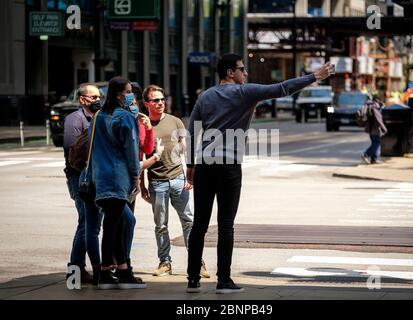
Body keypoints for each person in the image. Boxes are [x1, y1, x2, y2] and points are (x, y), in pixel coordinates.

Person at [186, 53, 333, 293]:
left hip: (204, 164)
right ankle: (223, 281)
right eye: (242, 69)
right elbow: (283, 88)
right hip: (229, 166)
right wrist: (314, 77)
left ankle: (193, 279)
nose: (246, 73)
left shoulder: (205, 96)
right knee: (225, 224)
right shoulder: (245, 92)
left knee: (200, 223)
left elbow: (193, 130)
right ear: (230, 73)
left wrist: (191, 165)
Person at [140, 84, 209, 278]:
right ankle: (165, 262)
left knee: (188, 221)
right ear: (147, 103)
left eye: (162, 99)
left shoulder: (175, 121)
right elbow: (140, 155)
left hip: (179, 179)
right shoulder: (144, 125)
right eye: (155, 100)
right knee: (161, 225)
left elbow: (185, 148)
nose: (160, 103)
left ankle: (197, 262)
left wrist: (190, 173)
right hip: (157, 182)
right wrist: (142, 185)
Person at [90, 76, 146, 289]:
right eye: (128, 91)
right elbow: (131, 150)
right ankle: (111, 272)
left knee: (114, 223)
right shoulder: (123, 117)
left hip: (101, 177)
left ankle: (120, 270)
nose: (131, 95)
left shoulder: (99, 116)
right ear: (118, 94)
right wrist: (135, 175)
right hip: (118, 175)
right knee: (115, 224)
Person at [63, 84, 102, 284]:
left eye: (99, 96)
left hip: (95, 177)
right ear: (82, 99)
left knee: (90, 225)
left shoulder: (98, 117)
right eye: (93, 96)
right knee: (87, 224)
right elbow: (73, 152)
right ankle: (75, 269)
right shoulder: (75, 119)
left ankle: (77, 268)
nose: (97, 99)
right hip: (80, 178)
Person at [361, 98, 388, 165]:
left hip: (371, 129)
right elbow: (379, 120)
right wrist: (384, 129)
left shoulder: (370, 106)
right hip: (376, 130)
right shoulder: (375, 108)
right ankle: (366, 154)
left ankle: (374, 159)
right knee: (376, 143)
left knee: (375, 143)